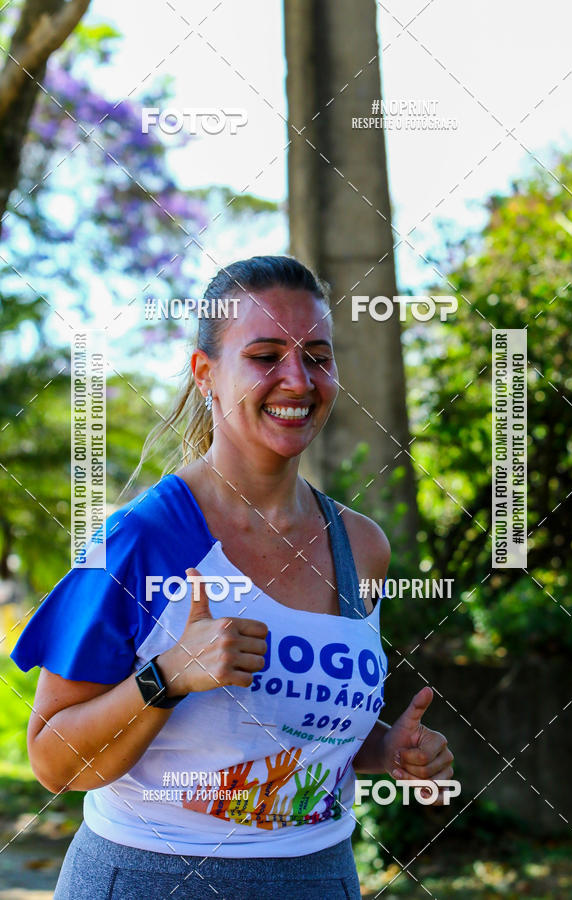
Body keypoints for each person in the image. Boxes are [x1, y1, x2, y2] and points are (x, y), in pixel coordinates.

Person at [11, 256, 454, 899]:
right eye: (267, 355)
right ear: (205, 373)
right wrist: (166, 676)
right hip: (151, 879)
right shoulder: (140, 540)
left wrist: (389, 751)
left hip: (320, 877)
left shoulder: (362, 546)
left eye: (318, 356)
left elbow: (293, 726)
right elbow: (53, 759)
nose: (297, 379)